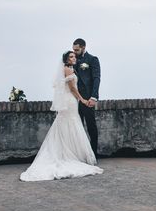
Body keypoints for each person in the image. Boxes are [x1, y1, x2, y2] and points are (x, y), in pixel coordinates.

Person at [19, 50, 103, 181]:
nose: (74, 58)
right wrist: (82, 99)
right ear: (66, 59)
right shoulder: (68, 70)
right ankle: (70, 155)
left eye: (74, 56)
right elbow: (73, 89)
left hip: (69, 101)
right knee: (72, 124)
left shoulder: (69, 68)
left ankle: (69, 153)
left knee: (68, 125)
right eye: (71, 56)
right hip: (70, 101)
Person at [72, 38, 101, 158]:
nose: (74, 52)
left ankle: (93, 154)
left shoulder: (92, 59)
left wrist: (94, 97)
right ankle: (77, 154)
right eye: (73, 49)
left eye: (77, 49)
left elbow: (96, 78)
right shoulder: (71, 60)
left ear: (83, 47)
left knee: (90, 126)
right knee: (75, 127)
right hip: (73, 99)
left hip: (87, 98)